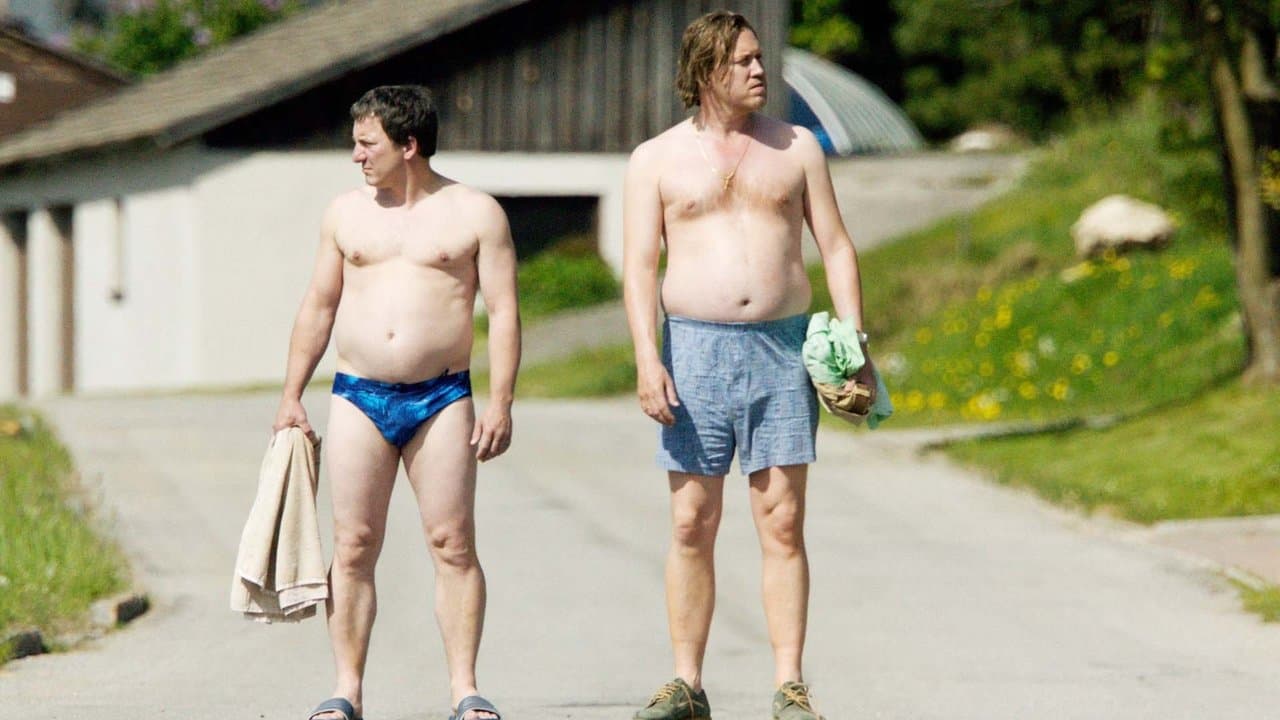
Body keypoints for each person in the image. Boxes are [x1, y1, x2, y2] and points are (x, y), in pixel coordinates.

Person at [622, 11, 874, 720]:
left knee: (781, 519)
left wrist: (853, 342)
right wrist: (646, 357)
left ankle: (789, 686)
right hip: (692, 350)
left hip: (781, 350)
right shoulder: (655, 159)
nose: (761, 70)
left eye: (760, 57)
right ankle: (686, 684)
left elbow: (837, 246)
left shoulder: (797, 148)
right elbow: (640, 268)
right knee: (690, 521)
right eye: (743, 61)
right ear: (706, 71)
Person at [272, 85, 520, 720]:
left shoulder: (476, 213)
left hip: (443, 396)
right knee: (354, 544)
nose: (356, 156)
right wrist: (292, 394)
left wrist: (501, 401)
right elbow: (319, 305)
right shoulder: (344, 214)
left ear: (408, 144)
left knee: (452, 541)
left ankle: (465, 690)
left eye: (367, 144)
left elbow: (504, 311)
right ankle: (346, 690)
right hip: (358, 394)